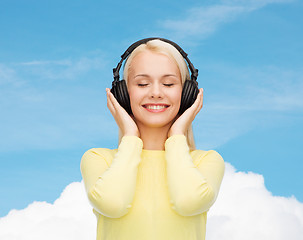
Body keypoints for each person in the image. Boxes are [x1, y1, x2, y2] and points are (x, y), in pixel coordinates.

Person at [80, 38, 225, 240]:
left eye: (168, 83)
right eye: (142, 83)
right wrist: (130, 136)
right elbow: (113, 203)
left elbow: (188, 201)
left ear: (187, 95)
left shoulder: (206, 161)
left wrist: (177, 136)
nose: (156, 93)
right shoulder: (99, 159)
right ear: (122, 93)